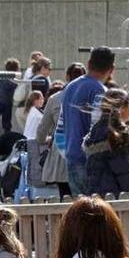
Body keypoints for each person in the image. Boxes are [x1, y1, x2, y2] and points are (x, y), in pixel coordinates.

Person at [62, 47, 115, 196]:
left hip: (71, 157)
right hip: (91, 162)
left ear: (89, 63)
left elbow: (60, 127)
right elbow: (99, 129)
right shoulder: (100, 91)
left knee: (79, 212)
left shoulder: (70, 87)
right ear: (111, 69)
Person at [40, 63, 86, 199]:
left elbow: (43, 128)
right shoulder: (89, 94)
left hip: (60, 150)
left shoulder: (55, 99)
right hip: (83, 150)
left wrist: (44, 140)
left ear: (66, 77)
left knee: (64, 195)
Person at [83, 88, 129, 197]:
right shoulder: (116, 132)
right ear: (122, 108)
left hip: (95, 194)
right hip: (115, 196)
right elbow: (123, 171)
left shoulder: (96, 129)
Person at [0, 58, 19, 139]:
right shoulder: (14, 79)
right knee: (6, 119)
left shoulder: (1, 75)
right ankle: (6, 134)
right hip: (7, 101)